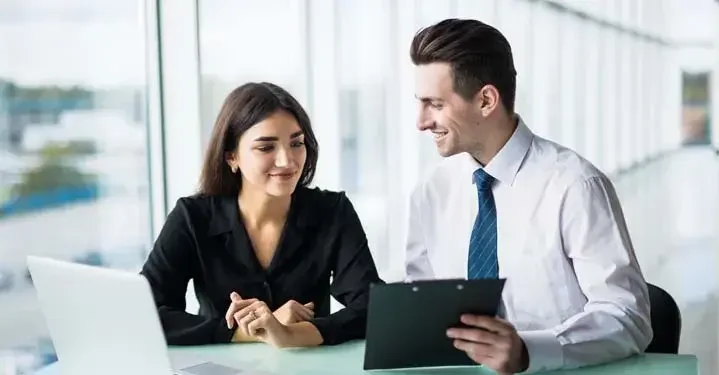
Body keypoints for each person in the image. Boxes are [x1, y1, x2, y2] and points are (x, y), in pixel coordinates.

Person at [405, 19, 652, 374]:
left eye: (435, 104)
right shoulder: (430, 194)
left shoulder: (575, 186)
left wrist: (528, 350)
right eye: (420, 103)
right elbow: (421, 305)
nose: (421, 122)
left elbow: (628, 317)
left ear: (486, 100)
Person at [140, 82, 383, 348]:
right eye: (266, 148)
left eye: (296, 143)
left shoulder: (332, 211)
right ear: (231, 157)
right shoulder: (192, 217)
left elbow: (373, 306)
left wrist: (295, 334)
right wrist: (248, 332)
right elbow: (144, 312)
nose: (287, 161)